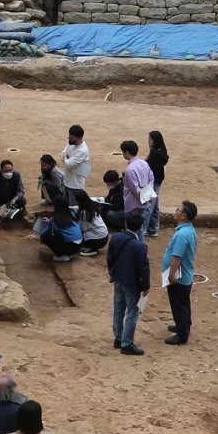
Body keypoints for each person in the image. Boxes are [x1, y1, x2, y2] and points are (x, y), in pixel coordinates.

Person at [107, 211, 150, 355]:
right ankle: (126, 343)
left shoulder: (115, 238)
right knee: (132, 313)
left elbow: (110, 258)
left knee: (118, 310)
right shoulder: (140, 246)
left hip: (118, 279)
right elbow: (144, 269)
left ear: (126, 223)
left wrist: (112, 274)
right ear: (140, 227)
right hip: (132, 284)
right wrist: (146, 286)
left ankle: (118, 338)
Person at [163, 201, 198, 345]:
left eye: (178, 209)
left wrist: (172, 275)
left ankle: (182, 334)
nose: (175, 211)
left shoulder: (182, 235)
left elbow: (177, 257)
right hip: (186, 274)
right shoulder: (188, 230)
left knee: (178, 304)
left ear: (183, 216)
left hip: (179, 276)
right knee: (183, 303)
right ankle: (183, 325)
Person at [120, 140, 155, 241]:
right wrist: (148, 197)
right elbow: (151, 179)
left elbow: (135, 189)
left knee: (131, 230)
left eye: (123, 152)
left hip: (133, 204)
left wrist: (143, 197)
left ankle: (135, 249)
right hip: (144, 201)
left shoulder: (130, 170)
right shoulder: (144, 163)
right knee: (138, 228)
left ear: (127, 152)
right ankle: (141, 247)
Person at [38, 195, 82, 262]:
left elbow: (43, 234)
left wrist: (41, 237)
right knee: (59, 233)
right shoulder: (71, 214)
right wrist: (49, 221)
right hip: (79, 245)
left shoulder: (55, 219)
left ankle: (62, 255)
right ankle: (70, 254)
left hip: (71, 246)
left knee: (46, 237)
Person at [144, 131, 170, 237]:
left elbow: (157, 172)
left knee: (148, 206)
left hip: (154, 182)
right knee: (155, 206)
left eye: (150, 140)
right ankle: (153, 228)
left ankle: (144, 229)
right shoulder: (160, 151)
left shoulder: (156, 154)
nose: (148, 142)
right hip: (157, 182)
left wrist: (153, 184)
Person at [71, 189, 109, 256]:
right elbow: (78, 208)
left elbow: (84, 229)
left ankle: (92, 249)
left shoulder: (85, 213)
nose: (75, 201)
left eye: (76, 200)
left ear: (80, 201)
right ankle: (89, 248)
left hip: (98, 239)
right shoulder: (91, 204)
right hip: (103, 236)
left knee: (75, 238)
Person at [60, 124, 91, 204]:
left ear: (80, 138)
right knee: (66, 206)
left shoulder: (82, 150)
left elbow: (69, 164)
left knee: (74, 207)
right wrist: (65, 157)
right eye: (69, 137)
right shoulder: (71, 143)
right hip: (67, 180)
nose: (70, 140)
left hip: (75, 184)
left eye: (72, 138)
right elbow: (63, 153)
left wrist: (65, 157)